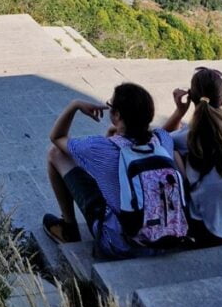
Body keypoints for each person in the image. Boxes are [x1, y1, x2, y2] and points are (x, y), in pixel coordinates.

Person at [43, 82, 184, 259]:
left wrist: (75, 105)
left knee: (55, 154)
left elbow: (56, 137)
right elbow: (163, 131)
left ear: (116, 115)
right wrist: (180, 112)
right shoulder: (162, 141)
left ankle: (68, 228)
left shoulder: (100, 147)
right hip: (165, 238)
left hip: (120, 245)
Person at [163, 67, 222, 246]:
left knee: (170, 152)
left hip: (207, 234)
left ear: (191, 97)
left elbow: (155, 140)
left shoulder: (187, 137)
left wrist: (179, 112)